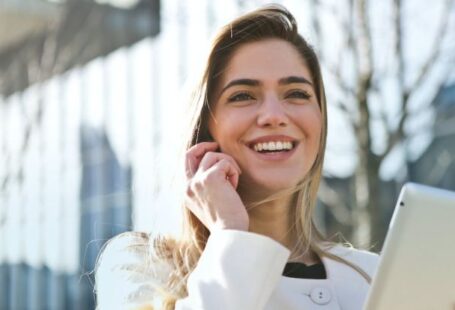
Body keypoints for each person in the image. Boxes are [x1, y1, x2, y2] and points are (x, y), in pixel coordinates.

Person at [95, 5, 379, 310]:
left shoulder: (370, 276)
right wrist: (230, 233)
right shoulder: (141, 268)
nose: (274, 116)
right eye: (243, 95)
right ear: (204, 128)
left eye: (297, 93)